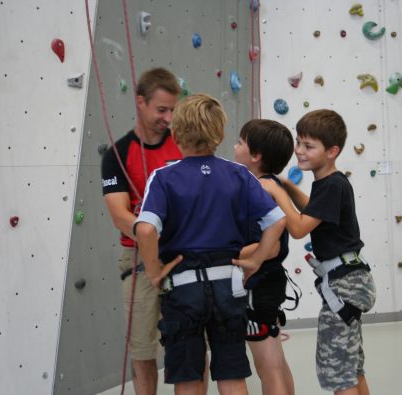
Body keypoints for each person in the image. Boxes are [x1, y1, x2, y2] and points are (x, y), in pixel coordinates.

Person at [134, 93, 286, 395]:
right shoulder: (239, 174)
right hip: (228, 287)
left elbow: (147, 230)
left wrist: (153, 272)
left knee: (189, 377)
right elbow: (277, 221)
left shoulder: (164, 178)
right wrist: (255, 261)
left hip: (183, 289)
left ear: (175, 134)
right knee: (232, 374)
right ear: (219, 134)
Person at [248, 109, 377, 395]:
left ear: (332, 151)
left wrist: (277, 192)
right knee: (351, 366)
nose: (299, 151)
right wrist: (289, 186)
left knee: (336, 371)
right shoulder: (331, 182)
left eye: (308, 146)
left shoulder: (331, 185)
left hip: (344, 284)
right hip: (352, 279)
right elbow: (313, 209)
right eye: (298, 143)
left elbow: (299, 228)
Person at [101, 67, 210, 395]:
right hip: (138, 260)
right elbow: (120, 215)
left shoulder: (184, 146)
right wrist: (151, 235)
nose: (169, 117)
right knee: (143, 350)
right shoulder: (118, 154)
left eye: (173, 110)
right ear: (140, 102)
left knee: (192, 342)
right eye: (161, 109)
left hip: (185, 256)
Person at [233, 119, 295, 395]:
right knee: (277, 362)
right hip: (271, 282)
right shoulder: (270, 184)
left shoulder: (260, 188)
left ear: (256, 156)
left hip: (259, 286)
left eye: (240, 142)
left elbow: (269, 247)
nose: (235, 146)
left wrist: (227, 254)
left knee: (267, 366)